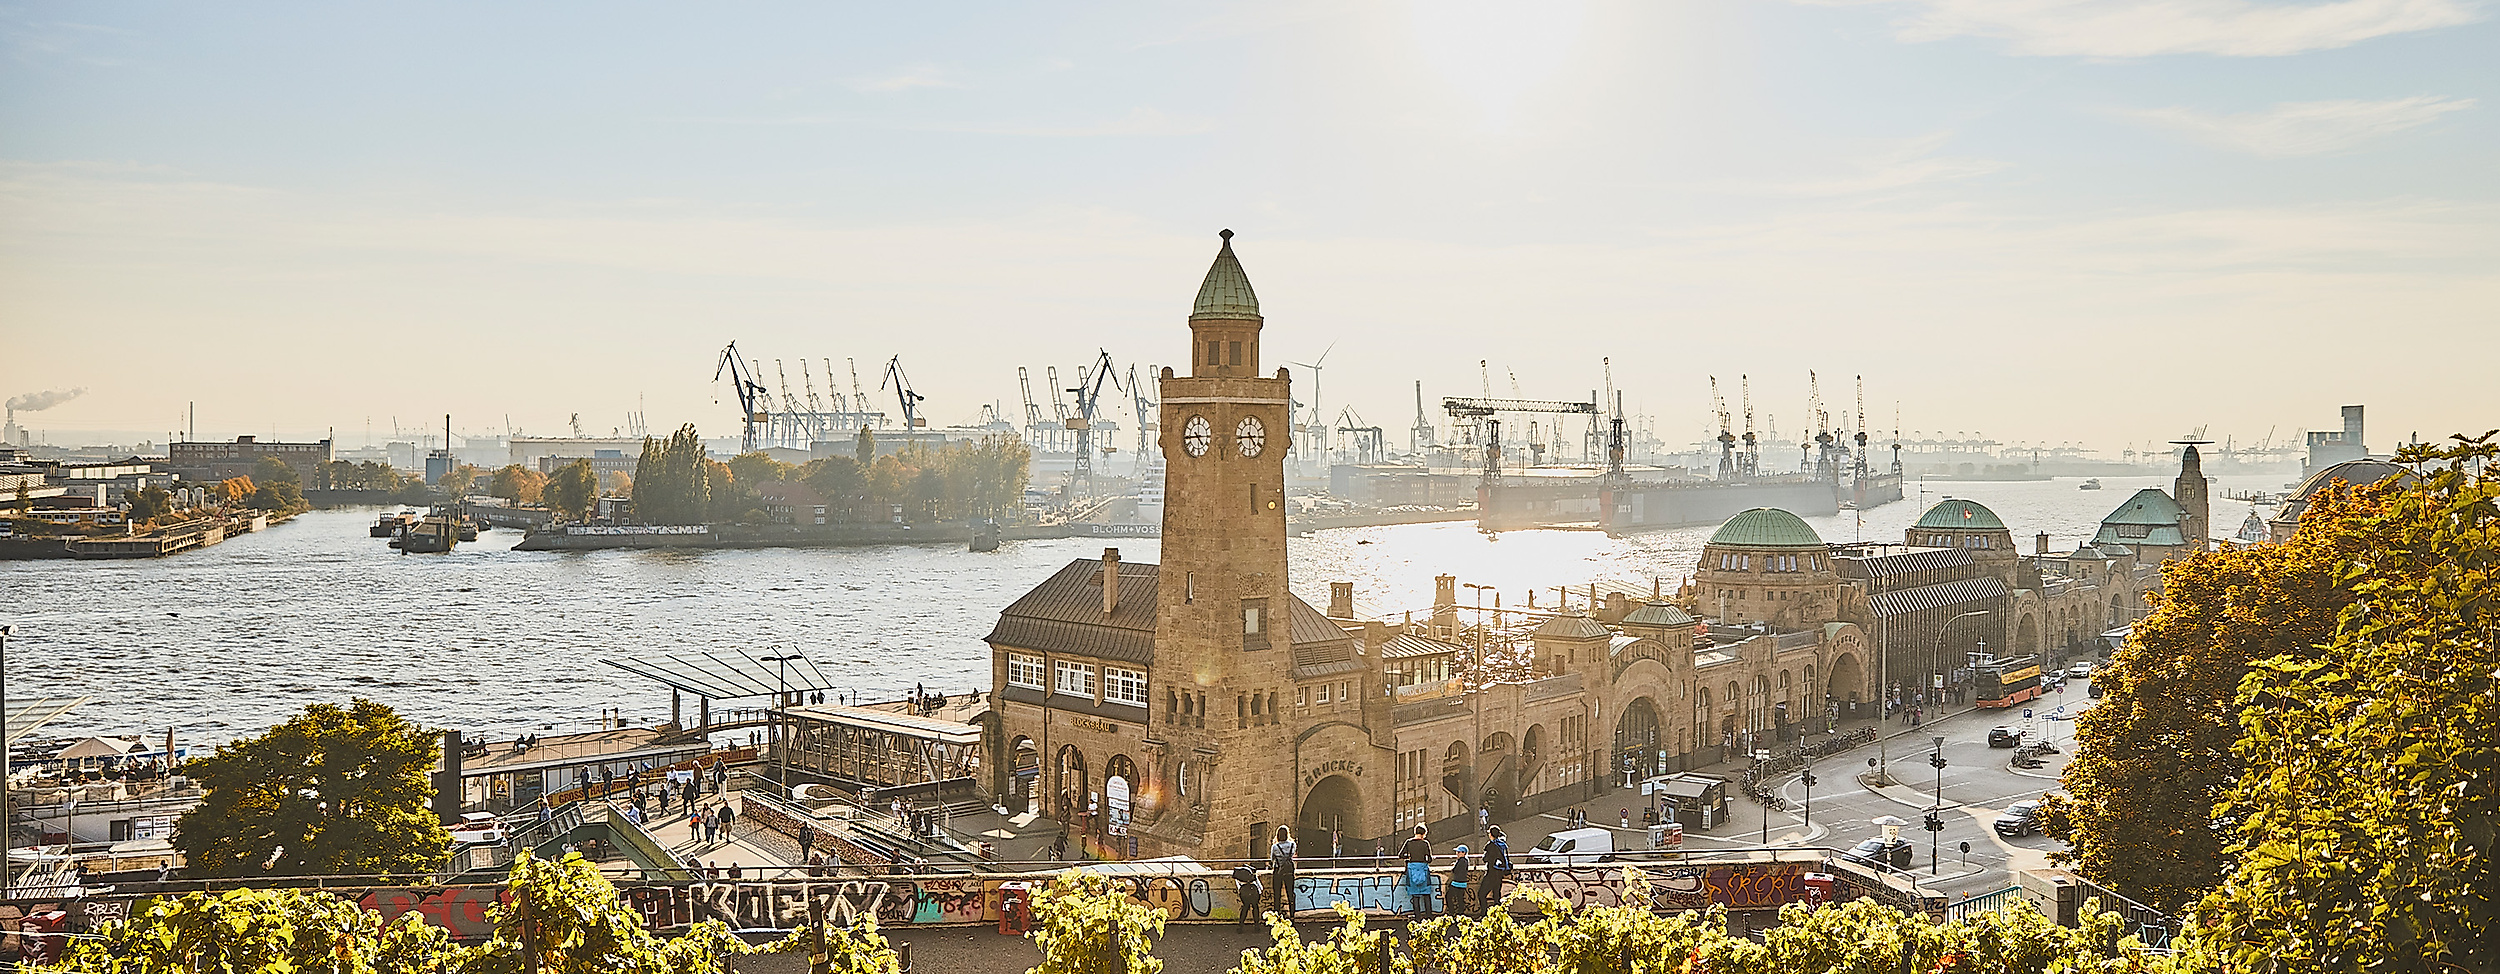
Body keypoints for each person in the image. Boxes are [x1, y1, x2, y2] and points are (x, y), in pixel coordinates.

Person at [1400, 825, 1434, 916]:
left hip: (1412, 870)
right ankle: (1429, 917)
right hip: (1423, 869)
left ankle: (1417, 917)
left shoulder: (1409, 842)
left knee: (1415, 895)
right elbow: (1430, 859)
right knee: (1426, 894)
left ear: (1415, 832)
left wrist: (1409, 857)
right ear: (1424, 834)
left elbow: (1401, 855)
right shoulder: (1425, 843)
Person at [1481, 826, 1512, 917]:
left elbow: (1485, 859)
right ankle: (1498, 916)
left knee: (1481, 894)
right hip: (1499, 875)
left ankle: (1484, 914)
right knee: (1496, 896)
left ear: (1490, 835)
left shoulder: (1491, 846)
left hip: (1491, 874)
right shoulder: (1502, 845)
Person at [1269, 826, 1298, 917]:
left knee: (1277, 894)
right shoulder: (1292, 844)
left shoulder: (1275, 846)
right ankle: (1292, 915)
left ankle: (1277, 915)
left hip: (1278, 871)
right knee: (1290, 893)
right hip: (1289, 870)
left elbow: (1272, 859)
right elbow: (1292, 855)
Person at [1447, 844, 1474, 918]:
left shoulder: (1460, 861)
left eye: (1459, 852)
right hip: (1463, 883)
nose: (1457, 854)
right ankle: (1460, 914)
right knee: (1460, 899)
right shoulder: (1465, 861)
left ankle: (1452, 912)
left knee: (1448, 896)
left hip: (1456, 882)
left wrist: (1454, 865)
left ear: (1464, 853)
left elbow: (1455, 870)